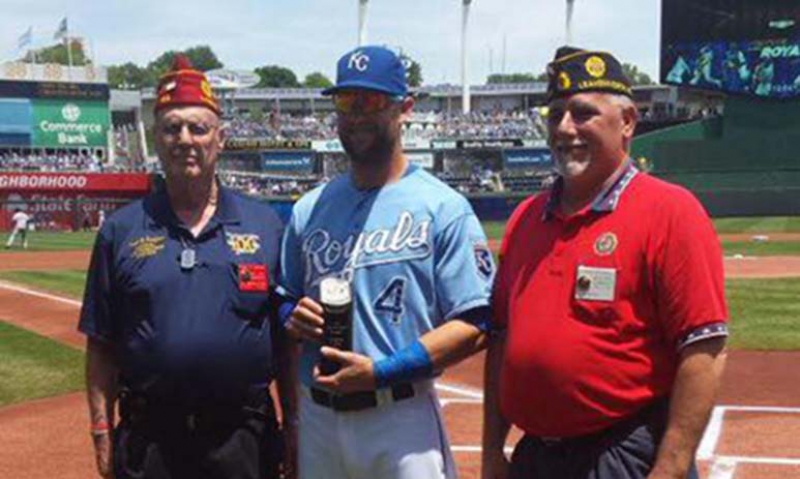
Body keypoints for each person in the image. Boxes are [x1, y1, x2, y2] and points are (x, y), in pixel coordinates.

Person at [482, 47, 729, 479]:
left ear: (628, 122)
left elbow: (704, 347)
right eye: (555, 113)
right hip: (536, 456)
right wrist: (490, 454)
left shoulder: (670, 211)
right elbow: (501, 341)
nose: (564, 128)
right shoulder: (526, 218)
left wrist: (669, 468)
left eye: (583, 113)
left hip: (623, 455)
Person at [279, 45, 494, 479]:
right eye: (346, 101)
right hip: (320, 420)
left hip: (400, 419)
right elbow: (283, 298)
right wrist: (291, 314)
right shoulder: (309, 208)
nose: (356, 114)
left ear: (405, 109)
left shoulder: (443, 207)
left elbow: (476, 322)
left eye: (372, 100)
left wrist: (382, 371)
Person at [79, 55, 295, 479]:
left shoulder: (266, 226)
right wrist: (102, 432)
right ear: (156, 139)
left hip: (243, 441)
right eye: (171, 127)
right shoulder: (120, 230)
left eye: (198, 127)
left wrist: (296, 428)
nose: (185, 139)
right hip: (149, 443)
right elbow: (101, 345)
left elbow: (287, 346)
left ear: (221, 138)